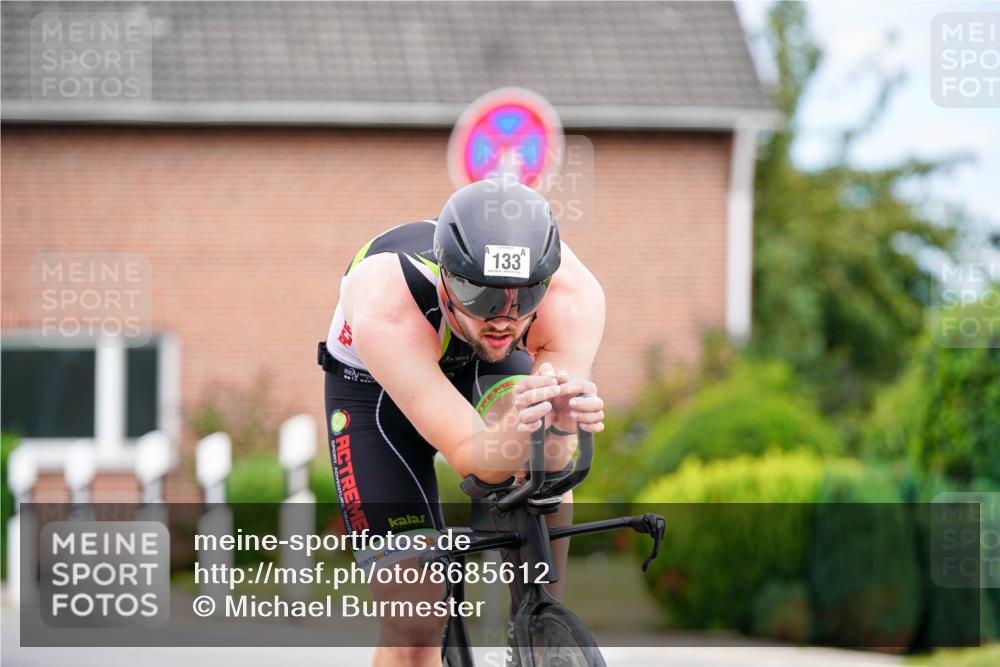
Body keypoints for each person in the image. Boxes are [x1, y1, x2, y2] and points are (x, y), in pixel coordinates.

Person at [318, 177, 606, 666]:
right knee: (416, 622)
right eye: (483, 298)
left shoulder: (572, 297)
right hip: (375, 389)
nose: (503, 320)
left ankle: (536, 625)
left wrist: (557, 427)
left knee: (538, 460)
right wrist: (522, 429)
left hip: (484, 366)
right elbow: (475, 460)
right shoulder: (387, 299)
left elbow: (551, 462)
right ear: (447, 280)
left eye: (523, 299)